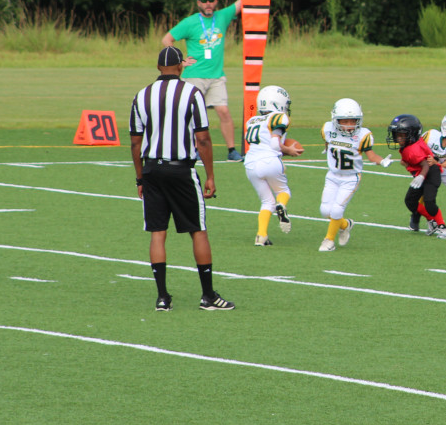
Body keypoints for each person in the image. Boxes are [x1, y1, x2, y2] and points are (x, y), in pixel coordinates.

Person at [128, 46, 234, 311]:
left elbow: (135, 142)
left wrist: (140, 178)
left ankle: (163, 297)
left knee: (157, 233)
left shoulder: (142, 95)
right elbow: (203, 138)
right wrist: (210, 175)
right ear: (181, 66)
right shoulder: (191, 93)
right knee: (197, 230)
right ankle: (208, 295)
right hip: (181, 170)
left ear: (157, 67)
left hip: (152, 168)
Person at [162, 0, 244, 161]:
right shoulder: (190, 22)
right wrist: (180, 60)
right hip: (194, 75)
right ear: (198, 3)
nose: (208, 4)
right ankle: (192, 149)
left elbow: (241, 2)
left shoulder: (222, 16)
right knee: (193, 114)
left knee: (223, 111)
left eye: (211, 0)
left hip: (216, 76)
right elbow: (167, 39)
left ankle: (232, 150)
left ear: (215, 2)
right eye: (204, 1)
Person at [318, 98, 388, 252]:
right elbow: (328, 143)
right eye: (345, 121)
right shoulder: (328, 129)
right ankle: (345, 225)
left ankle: (328, 241)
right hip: (332, 176)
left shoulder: (363, 135)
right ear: (336, 119)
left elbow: (371, 156)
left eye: (353, 121)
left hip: (350, 178)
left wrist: (382, 161)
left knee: (336, 210)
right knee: (325, 211)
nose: (349, 125)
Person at [243, 85, 304, 246]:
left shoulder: (251, 120)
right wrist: (288, 150)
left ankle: (261, 236)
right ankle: (281, 205)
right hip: (270, 160)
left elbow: (261, 142)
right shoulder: (279, 117)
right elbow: (275, 143)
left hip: (250, 164)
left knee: (266, 202)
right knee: (283, 192)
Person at [383, 114, 446, 239]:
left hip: (430, 173)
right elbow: (410, 161)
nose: (398, 138)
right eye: (397, 134)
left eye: (402, 135)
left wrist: (421, 177)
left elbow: (425, 164)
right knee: (410, 201)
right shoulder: (409, 146)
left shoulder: (412, 149)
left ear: (412, 134)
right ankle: (432, 221)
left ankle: (442, 227)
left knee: (429, 202)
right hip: (422, 173)